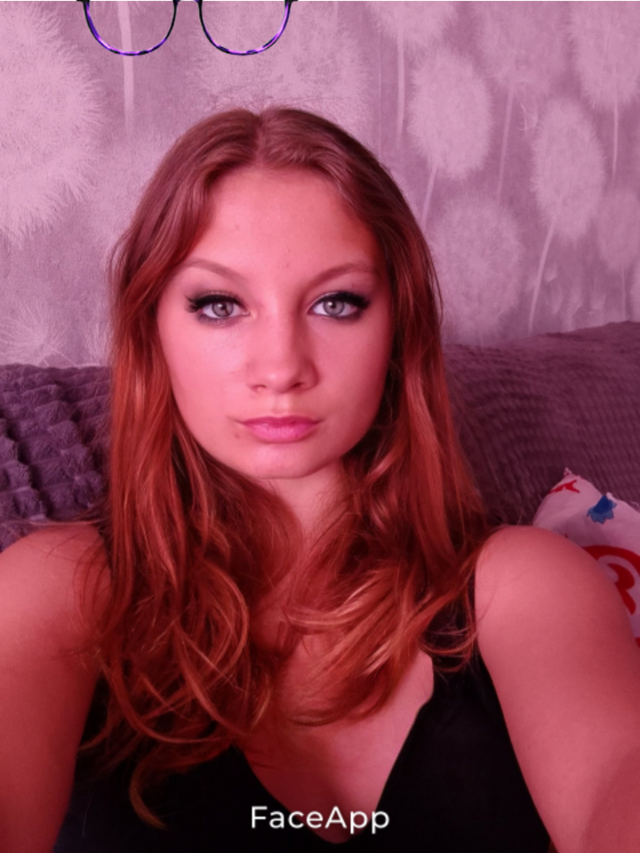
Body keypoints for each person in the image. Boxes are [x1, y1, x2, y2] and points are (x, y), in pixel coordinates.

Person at [1, 108, 640, 853]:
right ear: (153, 331)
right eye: (219, 305)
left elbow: (617, 777)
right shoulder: (57, 587)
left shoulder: (525, 584)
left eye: (336, 303)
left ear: (397, 329)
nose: (281, 367)